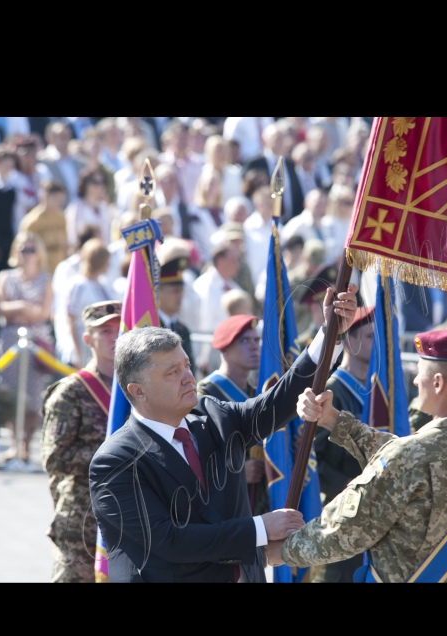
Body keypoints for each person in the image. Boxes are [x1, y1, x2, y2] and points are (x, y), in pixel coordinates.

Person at [89, 283, 359, 583]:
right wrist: (260, 529)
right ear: (137, 391)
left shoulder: (212, 414)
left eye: (186, 365)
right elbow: (167, 540)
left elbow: (276, 402)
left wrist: (330, 333)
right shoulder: (114, 461)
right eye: (172, 373)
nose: (188, 378)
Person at [267, 329, 447, 583]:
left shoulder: (408, 457)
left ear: (438, 383)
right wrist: (332, 420)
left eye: (419, 373)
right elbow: (405, 455)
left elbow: (344, 531)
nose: (415, 381)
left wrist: (284, 550)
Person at [41, 301, 122, 583]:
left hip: (127, 518)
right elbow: (54, 459)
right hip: (81, 521)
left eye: (120, 329)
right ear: (88, 339)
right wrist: (111, 452)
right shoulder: (71, 392)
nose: (115, 338)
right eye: (106, 331)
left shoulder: (136, 391)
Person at [314, 306, 374, 583]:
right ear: (349, 341)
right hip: (344, 504)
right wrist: (345, 483)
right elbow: (315, 457)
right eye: (371, 336)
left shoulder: (380, 388)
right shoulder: (333, 390)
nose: (378, 343)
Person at [197, 315, 269, 516]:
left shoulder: (257, 393)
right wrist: (236, 472)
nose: (254, 347)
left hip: (258, 500)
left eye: (256, 340)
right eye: (244, 341)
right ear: (225, 348)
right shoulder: (206, 395)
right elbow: (198, 453)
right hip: (223, 504)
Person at [0, 232, 53, 465]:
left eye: (31, 250)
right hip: (10, 340)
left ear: (39, 255)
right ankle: (15, 444)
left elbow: (44, 312)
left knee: (33, 395)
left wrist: (22, 310)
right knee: (11, 393)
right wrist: (23, 306)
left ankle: (26, 445)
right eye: (22, 249)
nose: (26, 254)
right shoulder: (6, 277)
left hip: (36, 340)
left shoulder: (46, 279)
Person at [65, 239, 112, 369]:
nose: (109, 264)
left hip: (99, 344)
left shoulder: (102, 285)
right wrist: (77, 351)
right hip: (83, 343)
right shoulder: (78, 285)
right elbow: (71, 319)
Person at [157, 244, 195, 375]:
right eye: (175, 291)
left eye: (181, 291)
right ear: (158, 293)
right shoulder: (150, 327)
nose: (180, 297)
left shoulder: (183, 330)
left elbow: (191, 371)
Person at [18, 182, 68, 274]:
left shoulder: (61, 218)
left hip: (59, 270)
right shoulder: (31, 222)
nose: (59, 203)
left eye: (61, 200)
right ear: (45, 197)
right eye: (56, 199)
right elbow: (24, 250)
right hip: (41, 273)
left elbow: (65, 246)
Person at [65, 167, 113, 249]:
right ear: (86, 184)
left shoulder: (104, 207)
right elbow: (73, 239)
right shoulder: (76, 208)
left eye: (103, 182)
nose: (101, 186)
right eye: (96, 182)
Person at [296, 264, 339, 352]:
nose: (336, 303)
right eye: (330, 300)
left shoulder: (346, 339)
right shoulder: (301, 345)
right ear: (314, 306)